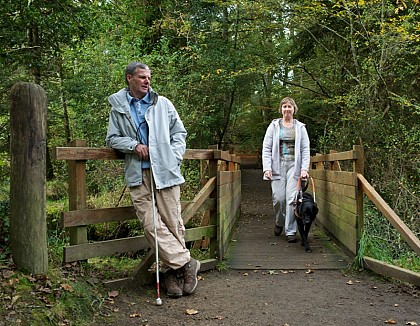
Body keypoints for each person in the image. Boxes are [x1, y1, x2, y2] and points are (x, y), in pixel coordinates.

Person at [105, 61, 200, 298]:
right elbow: (112, 139)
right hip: (138, 174)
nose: (147, 81)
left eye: (149, 77)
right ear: (129, 78)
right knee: (150, 224)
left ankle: (171, 274)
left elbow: (180, 133)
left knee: (173, 223)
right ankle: (186, 263)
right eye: (142, 77)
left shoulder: (163, 104)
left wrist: (173, 156)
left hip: (166, 172)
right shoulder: (118, 107)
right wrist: (133, 145)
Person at [262, 97, 310, 243]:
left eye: (290, 106)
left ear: (294, 109)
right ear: (281, 109)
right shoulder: (274, 126)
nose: (287, 109)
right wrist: (267, 168)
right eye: (284, 107)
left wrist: (304, 169)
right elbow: (267, 148)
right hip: (278, 165)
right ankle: (279, 222)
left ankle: (290, 231)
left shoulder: (300, 127)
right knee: (278, 198)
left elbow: (305, 149)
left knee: (291, 199)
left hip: (294, 167)